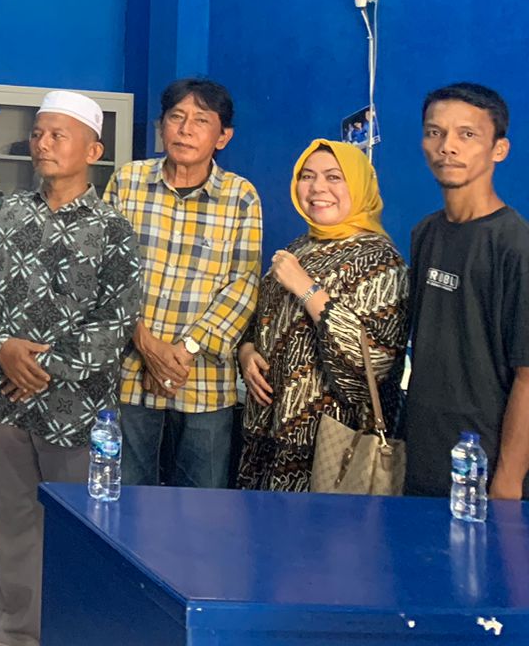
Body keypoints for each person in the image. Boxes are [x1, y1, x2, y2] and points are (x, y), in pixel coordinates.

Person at [0, 91, 139, 646]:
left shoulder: (114, 230)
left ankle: (70, 630)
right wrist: (0, 349)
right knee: (11, 526)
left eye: (57, 135)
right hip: (7, 403)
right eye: (38, 133)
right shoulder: (10, 212)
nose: (42, 143)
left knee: (78, 533)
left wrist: (41, 367)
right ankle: (12, 634)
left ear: (93, 148)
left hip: (76, 412)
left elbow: (116, 321)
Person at [104, 78, 262, 488]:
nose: (185, 129)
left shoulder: (241, 196)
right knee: (125, 499)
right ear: (161, 127)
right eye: (176, 117)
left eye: (201, 120)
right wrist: (147, 345)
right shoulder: (128, 182)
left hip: (204, 382)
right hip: (129, 377)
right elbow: (107, 272)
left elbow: (242, 285)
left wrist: (182, 351)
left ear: (223, 137)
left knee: (200, 510)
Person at [236, 140, 408, 491]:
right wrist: (247, 351)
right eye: (308, 176)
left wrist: (308, 290)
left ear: (359, 186)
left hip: (332, 447)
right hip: (269, 441)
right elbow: (262, 323)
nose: (317, 188)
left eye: (334, 177)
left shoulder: (381, 261)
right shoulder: (301, 246)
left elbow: (370, 367)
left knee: (318, 543)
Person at [403, 83, 529, 500]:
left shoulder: (515, 246)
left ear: (499, 149)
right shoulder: (425, 233)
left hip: (485, 467)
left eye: (467, 134)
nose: (447, 147)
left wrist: (508, 480)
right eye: (434, 132)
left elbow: (528, 377)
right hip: (424, 457)